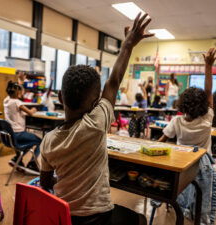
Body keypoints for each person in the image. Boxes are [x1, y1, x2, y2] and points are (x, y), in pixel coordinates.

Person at [40, 13, 153, 225]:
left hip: (63, 216)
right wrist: (128, 45)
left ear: (60, 97)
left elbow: (45, 182)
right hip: (98, 217)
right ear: (95, 104)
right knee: (140, 220)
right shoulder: (96, 123)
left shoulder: (48, 140)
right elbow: (114, 81)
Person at [159, 48, 216, 154]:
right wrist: (208, 66)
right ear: (204, 104)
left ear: (182, 103)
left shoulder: (176, 121)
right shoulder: (206, 119)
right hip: (203, 166)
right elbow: (209, 92)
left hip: (181, 165)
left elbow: (161, 141)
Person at [3, 81, 41, 175]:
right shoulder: (17, 102)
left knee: (29, 142)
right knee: (40, 141)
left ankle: (17, 159)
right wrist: (34, 109)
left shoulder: (6, 100)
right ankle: (32, 163)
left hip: (10, 134)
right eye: (21, 91)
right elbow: (30, 113)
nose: (23, 93)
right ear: (18, 92)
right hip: (18, 133)